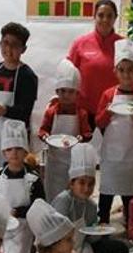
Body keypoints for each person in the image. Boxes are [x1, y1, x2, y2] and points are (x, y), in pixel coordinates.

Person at [51, 143, 128, 253]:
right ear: (72, 183)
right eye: (81, 183)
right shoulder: (63, 200)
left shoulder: (91, 206)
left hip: (81, 245)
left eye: (91, 184)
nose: (87, 188)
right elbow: (54, 235)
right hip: (59, 247)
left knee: (117, 248)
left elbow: (90, 238)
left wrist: (100, 230)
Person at [0, 22, 38, 191]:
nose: (8, 49)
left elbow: (25, 111)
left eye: (14, 45)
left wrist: (5, 110)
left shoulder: (27, 76)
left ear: (23, 49)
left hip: (11, 139)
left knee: (5, 181)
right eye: (5, 43)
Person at [96, 38, 133, 223]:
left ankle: (131, 225)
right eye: (122, 70)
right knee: (106, 193)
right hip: (112, 156)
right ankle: (102, 223)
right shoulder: (108, 95)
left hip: (132, 156)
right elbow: (99, 122)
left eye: (131, 70)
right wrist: (107, 112)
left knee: (131, 195)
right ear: (115, 72)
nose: (126, 75)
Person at [0, 120, 45, 253]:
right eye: (9, 149)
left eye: (18, 149)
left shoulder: (33, 178)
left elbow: (39, 206)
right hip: (2, 225)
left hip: (23, 226)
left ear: (25, 152)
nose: (14, 153)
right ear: (3, 153)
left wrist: (19, 212)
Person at [38, 59, 93, 200]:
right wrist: (45, 137)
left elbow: (87, 133)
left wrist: (82, 137)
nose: (66, 95)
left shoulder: (81, 114)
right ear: (57, 91)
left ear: (76, 94)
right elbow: (43, 130)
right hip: (54, 159)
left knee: (71, 191)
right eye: (62, 91)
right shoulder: (51, 112)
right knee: (53, 189)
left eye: (70, 92)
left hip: (73, 160)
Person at [66, 0, 122, 130]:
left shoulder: (123, 45)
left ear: (115, 18)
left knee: (111, 150)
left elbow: (131, 78)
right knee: (82, 149)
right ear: (94, 16)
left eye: (109, 16)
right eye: (101, 15)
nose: (105, 20)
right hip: (84, 110)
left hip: (113, 110)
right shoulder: (80, 43)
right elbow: (68, 77)